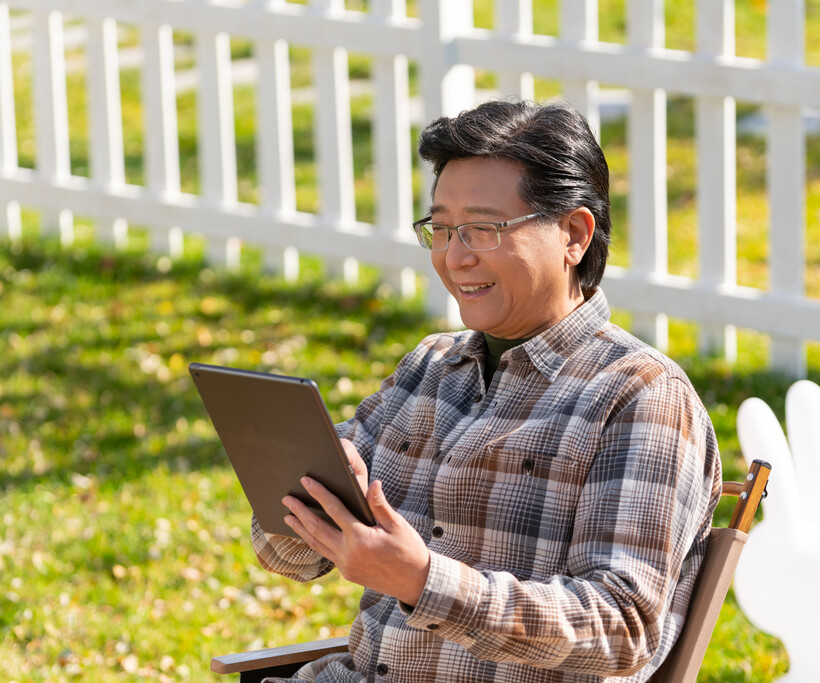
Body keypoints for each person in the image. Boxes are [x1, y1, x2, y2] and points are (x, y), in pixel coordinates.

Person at [251, 99, 722, 682]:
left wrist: (423, 582)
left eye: (483, 229)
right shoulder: (430, 368)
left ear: (574, 234)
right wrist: (309, 497)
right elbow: (287, 560)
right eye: (442, 229)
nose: (454, 256)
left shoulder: (640, 396)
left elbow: (619, 628)